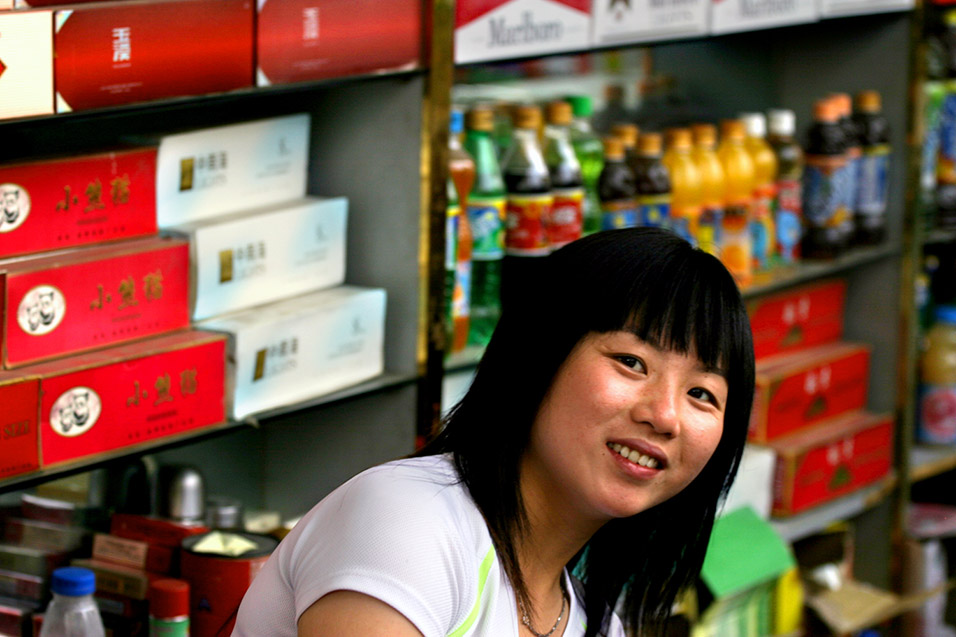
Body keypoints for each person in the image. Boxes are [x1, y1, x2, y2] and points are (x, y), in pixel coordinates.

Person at [232, 227, 755, 637]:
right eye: (631, 361)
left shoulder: (593, 625)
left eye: (702, 394)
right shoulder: (410, 521)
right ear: (538, 356)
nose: (664, 416)